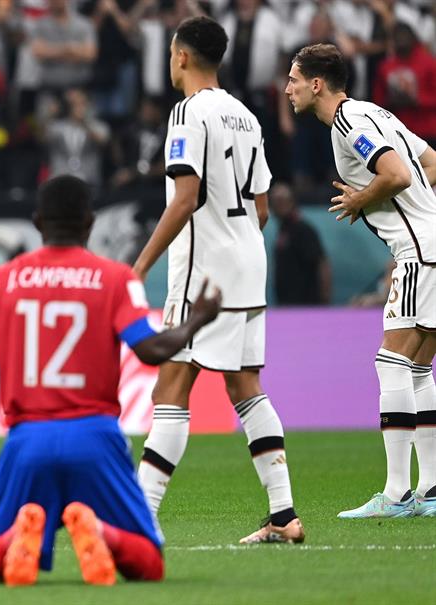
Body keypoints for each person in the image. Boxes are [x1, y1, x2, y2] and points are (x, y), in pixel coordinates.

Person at [0, 174, 221, 586]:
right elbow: (151, 350)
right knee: (148, 564)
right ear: (89, 222)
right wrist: (196, 319)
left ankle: (20, 535)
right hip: (96, 437)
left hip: (27, 439)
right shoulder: (115, 278)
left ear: (36, 222)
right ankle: (100, 532)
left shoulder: (2, 280)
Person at [131, 16, 305, 544]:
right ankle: (283, 515)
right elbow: (262, 208)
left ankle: (140, 515)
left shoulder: (187, 113)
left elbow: (185, 199)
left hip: (204, 272)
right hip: (251, 262)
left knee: (172, 383)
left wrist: (138, 267)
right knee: (245, 383)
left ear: (181, 56)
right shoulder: (246, 116)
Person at [286, 43, 436, 518]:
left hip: (419, 253)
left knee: (391, 363)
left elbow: (395, 174)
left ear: (316, 84)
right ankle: (430, 490)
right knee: (416, 369)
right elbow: (430, 161)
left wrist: (361, 200)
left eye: (293, 79)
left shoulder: (350, 122)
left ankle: (395, 495)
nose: (287, 88)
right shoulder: (377, 114)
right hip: (430, 246)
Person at [270, 183, 331, 305]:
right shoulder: (283, 230)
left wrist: (325, 298)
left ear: (292, 202)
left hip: (306, 304)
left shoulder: (303, 230)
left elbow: (322, 263)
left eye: (281, 201)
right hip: (287, 304)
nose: (277, 205)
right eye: (274, 202)